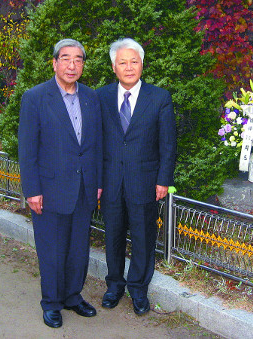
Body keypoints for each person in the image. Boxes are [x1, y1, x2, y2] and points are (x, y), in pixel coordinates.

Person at [18, 39, 102, 328]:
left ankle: (72, 296)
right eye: (65, 59)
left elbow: (96, 145)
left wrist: (98, 182)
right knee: (52, 249)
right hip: (49, 190)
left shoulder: (91, 97)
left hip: (84, 188)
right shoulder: (35, 97)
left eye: (78, 59)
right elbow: (27, 150)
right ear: (54, 63)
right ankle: (51, 302)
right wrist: (32, 190)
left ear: (83, 65)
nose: (71, 65)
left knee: (79, 247)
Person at [97, 38, 176, 315]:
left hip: (145, 182)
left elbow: (168, 144)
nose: (129, 67)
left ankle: (139, 290)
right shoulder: (101, 97)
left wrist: (163, 180)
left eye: (134, 61)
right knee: (114, 236)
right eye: (122, 62)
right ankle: (114, 285)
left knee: (143, 237)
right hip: (110, 183)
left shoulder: (160, 98)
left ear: (142, 64)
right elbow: (95, 143)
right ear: (113, 67)